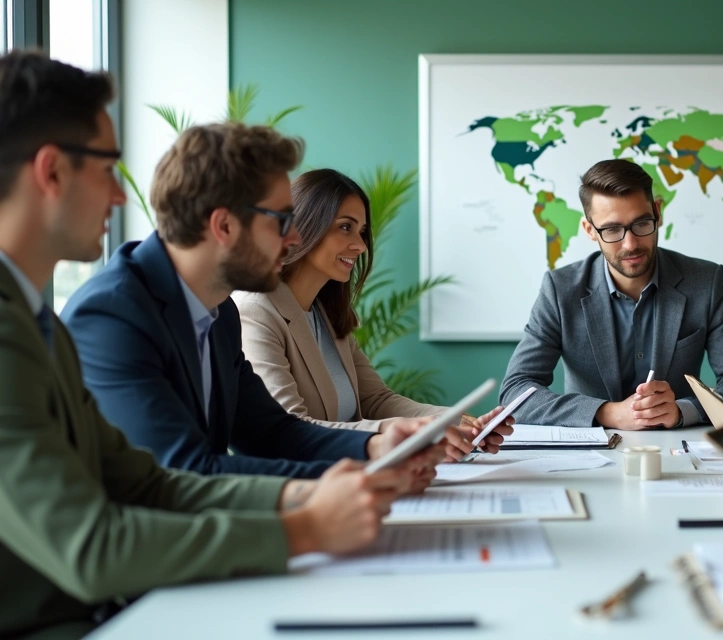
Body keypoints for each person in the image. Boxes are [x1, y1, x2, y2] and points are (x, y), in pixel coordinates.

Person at [0, 50, 439, 640]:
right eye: (106, 168)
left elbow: (156, 479)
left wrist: (354, 465)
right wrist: (305, 525)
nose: (118, 197)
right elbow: (98, 544)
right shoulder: (99, 315)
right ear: (51, 172)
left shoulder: (43, 321)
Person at [62, 122, 492, 477]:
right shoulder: (113, 315)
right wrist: (343, 483)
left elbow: (271, 432)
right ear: (224, 225)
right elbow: (182, 471)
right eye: (282, 220)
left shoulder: (220, 314)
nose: (293, 237)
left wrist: (379, 447)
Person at [233, 168, 511, 454]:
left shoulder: (327, 314)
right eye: (345, 227)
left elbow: (376, 400)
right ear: (304, 225)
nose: (361, 245)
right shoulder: (256, 311)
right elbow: (292, 428)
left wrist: (461, 423)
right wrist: (400, 434)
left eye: (362, 231)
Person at [500, 159, 723, 428]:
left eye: (641, 224)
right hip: (589, 453)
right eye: (612, 229)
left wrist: (682, 410)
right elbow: (516, 391)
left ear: (657, 213)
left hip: (679, 449)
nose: (631, 244)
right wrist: (607, 413)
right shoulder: (560, 289)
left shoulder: (706, 282)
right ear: (590, 230)